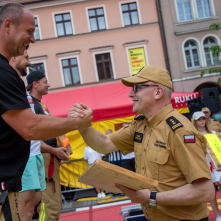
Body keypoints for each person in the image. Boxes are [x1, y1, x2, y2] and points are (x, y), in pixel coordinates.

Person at [70, 65, 214, 221]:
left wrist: (150, 197)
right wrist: (84, 127)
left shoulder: (180, 131)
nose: (130, 94)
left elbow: (205, 191)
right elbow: (104, 144)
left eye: (137, 88)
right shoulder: (141, 125)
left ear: (158, 92)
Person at [0, 3, 92, 220]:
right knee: (29, 209)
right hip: (8, 182)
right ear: (8, 25)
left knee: (34, 206)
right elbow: (30, 127)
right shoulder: (3, 73)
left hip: (15, 175)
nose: (33, 40)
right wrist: (76, 122)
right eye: (29, 32)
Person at [26, 71, 72, 220]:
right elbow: (31, 140)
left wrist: (65, 144)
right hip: (45, 160)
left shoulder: (40, 105)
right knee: (49, 206)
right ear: (35, 84)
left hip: (49, 159)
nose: (49, 85)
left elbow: (54, 128)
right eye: (45, 82)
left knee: (53, 204)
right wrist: (55, 151)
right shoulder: (30, 104)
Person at [9, 51, 46, 221]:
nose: (29, 62)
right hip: (25, 157)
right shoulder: (8, 85)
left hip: (34, 154)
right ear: (13, 58)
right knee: (25, 209)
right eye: (26, 58)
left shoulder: (19, 87)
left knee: (35, 206)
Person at [193, 111, 221, 221]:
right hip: (204, 164)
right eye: (199, 120)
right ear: (195, 121)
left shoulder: (213, 132)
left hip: (216, 163)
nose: (202, 121)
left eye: (203, 119)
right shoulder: (195, 136)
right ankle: (218, 215)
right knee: (211, 192)